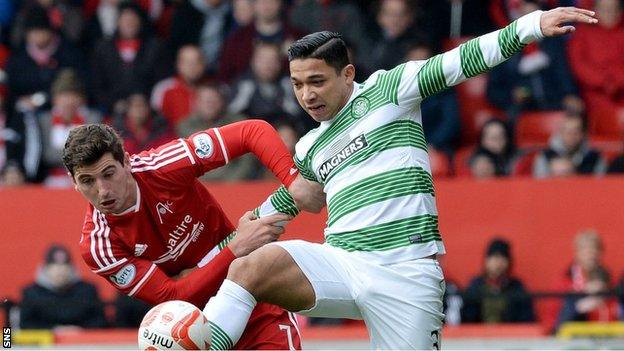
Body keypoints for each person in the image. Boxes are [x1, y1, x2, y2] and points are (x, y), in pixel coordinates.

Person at [201, 7, 597, 349]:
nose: (306, 96)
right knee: (249, 267)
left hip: (406, 273)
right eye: (298, 84)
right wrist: (214, 253)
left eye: (317, 82)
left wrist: (530, 25)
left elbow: (463, 60)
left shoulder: (391, 90)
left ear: (347, 74)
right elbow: (282, 205)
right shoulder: (308, 147)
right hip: (341, 263)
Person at [61, 120, 323, 349]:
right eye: (87, 181)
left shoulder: (164, 166)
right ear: (74, 182)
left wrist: (293, 181)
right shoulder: (99, 246)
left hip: (255, 301)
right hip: (194, 333)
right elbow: (174, 297)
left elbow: (251, 131)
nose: (103, 191)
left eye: (109, 174)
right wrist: (236, 247)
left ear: (127, 162)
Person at [20, 244, 107, 329]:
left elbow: (100, 321)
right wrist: (54, 331)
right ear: (45, 269)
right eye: (54, 266)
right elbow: (26, 324)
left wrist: (78, 330)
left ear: (72, 268)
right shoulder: (32, 293)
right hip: (44, 342)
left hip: (83, 342)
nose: (60, 271)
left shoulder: (87, 290)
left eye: (64, 266)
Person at [461, 239, 535, 323]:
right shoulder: (475, 286)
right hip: (478, 335)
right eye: (495, 257)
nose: (499, 262)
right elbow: (466, 319)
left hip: (510, 335)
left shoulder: (517, 288)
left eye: (503, 258)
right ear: (486, 260)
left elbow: (527, 320)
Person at [532, 112, 607, 177]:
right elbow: (539, 185)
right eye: (568, 132)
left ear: (583, 134)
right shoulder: (545, 156)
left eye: (576, 132)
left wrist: (573, 174)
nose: (571, 136)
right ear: (560, 133)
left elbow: (600, 185)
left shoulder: (595, 158)